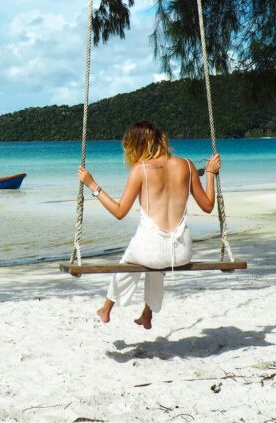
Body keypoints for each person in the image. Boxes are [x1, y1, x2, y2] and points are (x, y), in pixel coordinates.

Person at [77, 120, 221, 329]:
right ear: (160, 139)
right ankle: (147, 314)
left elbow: (119, 212)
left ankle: (106, 308)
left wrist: (93, 185)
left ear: (135, 145)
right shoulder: (188, 165)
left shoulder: (141, 169)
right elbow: (208, 206)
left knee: (133, 258)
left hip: (151, 251)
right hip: (181, 252)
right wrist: (209, 173)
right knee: (155, 262)